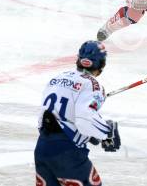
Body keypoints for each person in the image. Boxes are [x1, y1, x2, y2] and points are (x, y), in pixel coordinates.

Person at [34, 41, 121, 186]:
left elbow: (48, 117)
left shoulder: (57, 78)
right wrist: (107, 132)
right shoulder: (93, 85)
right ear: (102, 64)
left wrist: (88, 134)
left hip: (42, 147)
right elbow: (84, 119)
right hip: (68, 154)